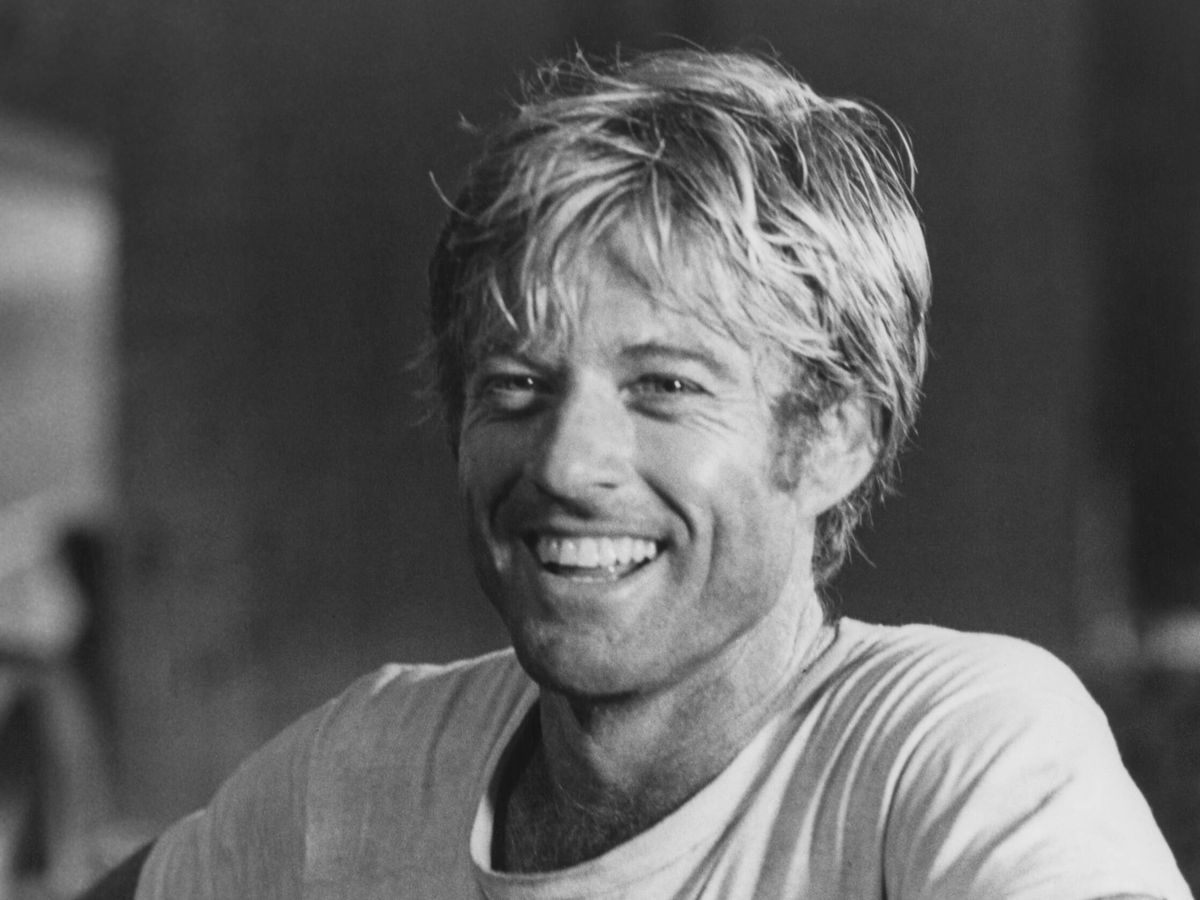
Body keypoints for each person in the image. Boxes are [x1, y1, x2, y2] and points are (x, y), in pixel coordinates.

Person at [114, 49, 1190, 898]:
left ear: (834, 439)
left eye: (665, 386)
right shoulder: (358, 775)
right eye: (515, 385)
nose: (566, 463)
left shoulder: (949, 747)